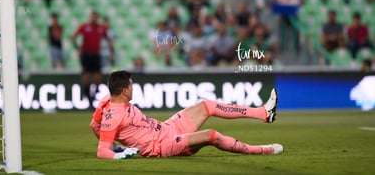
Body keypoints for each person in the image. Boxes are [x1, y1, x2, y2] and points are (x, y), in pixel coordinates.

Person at [90, 70, 283, 159]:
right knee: (211, 135)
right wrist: (115, 151)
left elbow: (94, 125)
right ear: (124, 91)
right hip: (161, 146)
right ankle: (260, 150)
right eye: (131, 85)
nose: (133, 88)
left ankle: (263, 113)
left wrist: (114, 145)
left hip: (167, 127)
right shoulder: (113, 115)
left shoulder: (106, 101)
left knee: (207, 105)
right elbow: (101, 151)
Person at [71, 11, 114, 108]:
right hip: (86, 54)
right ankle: (88, 98)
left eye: (95, 17)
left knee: (97, 77)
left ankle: (93, 96)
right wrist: (78, 48)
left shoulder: (101, 28)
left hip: (96, 55)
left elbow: (108, 40)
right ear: (90, 17)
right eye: (92, 17)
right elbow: (73, 37)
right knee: (86, 76)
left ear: (97, 18)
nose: (94, 18)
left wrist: (111, 52)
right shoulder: (84, 26)